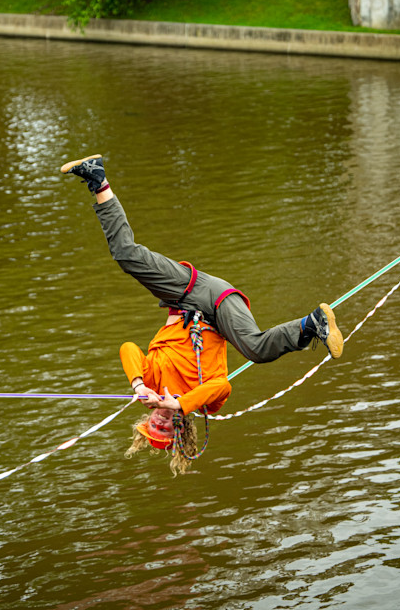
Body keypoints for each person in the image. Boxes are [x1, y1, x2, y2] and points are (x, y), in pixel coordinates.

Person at [61, 154, 344, 474]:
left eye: (152, 425)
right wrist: (181, 403)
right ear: (179, 427)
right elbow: (222, 386)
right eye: (164, 429)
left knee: (126, 255)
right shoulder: (204, 403)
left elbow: (127, 347)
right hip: (218, 309)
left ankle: (97, 179)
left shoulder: (151, 385)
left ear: (147, 418)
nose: (158, 421)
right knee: (257, 350)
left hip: (185, 295)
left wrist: (139, 385)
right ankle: (313, 324)